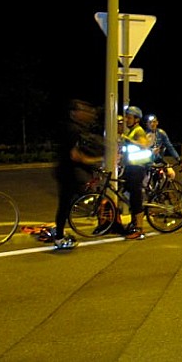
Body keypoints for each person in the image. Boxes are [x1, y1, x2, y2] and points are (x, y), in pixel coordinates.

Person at [52, 99, 103, 250]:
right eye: (83, 111)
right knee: (66, 204)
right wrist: (96, 160)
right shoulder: (73, 130)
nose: (86, 114)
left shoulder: (74, 128)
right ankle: (59, 237)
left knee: (68, 203)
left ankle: (59, 230)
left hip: (67, 171)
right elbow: (76, 156)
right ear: (74, 113)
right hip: (69, 172)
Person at [120, 105, 153, 239]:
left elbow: (144, 145)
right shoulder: (131, 130)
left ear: (136, 119)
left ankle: (139, 228)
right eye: (127, 117)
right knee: (127, 193)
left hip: (137, 168)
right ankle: (134, 222)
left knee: (135, 197)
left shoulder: (138, 131)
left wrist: (127, 140)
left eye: (129, 117)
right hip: (130, 167)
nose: (127, 120)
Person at [144, 113, 182, 179]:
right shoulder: (143, 134)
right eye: (150, 122)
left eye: (154, 122)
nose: (152, 124)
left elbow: (170, 147)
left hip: (158, 160)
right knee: (145, 179)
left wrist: (178, 159)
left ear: (157, 123)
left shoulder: (161, 133)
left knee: (171, 174)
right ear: (146, 124)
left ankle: (162, 188)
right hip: (146, 160)